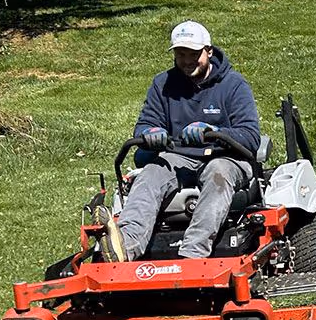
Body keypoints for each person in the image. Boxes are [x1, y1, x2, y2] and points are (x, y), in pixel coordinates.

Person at [99, 21, 261, 262]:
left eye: (193, 54)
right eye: (180, 54)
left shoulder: (233, 85)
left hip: (227, 157)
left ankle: (192, 255)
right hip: (178, 156)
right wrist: (151, 133)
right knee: (150, 174)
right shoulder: (163, 84)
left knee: (218, 173)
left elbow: (250, 137)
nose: (187, 61)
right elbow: (144, 126)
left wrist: (214, 131)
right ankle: (124, 247)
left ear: (209, 51)